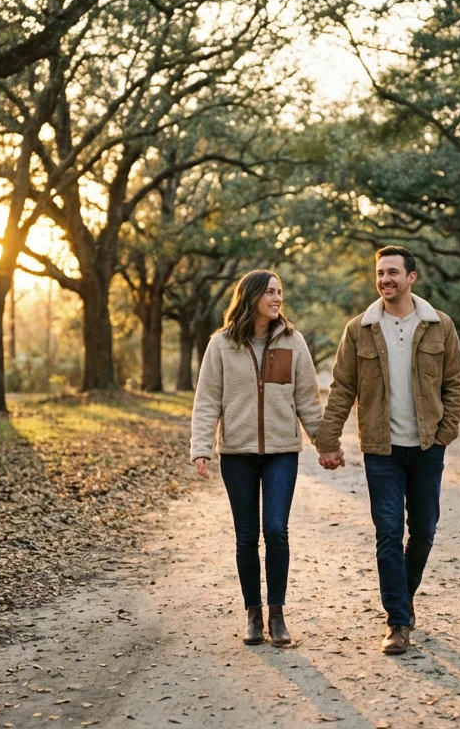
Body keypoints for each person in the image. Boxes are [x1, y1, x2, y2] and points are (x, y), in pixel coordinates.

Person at [315, 245, 460, 655]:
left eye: (393, 273)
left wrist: (445, 431)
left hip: (427, 446)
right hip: (382, 449)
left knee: (425, 531)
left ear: (411, 277)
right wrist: (327, 440)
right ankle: (397, 620)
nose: (385, 280)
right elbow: (342, 387)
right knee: (388, 533)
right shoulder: (359, 328)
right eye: (380, 273)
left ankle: (404, 593)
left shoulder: (440, 325)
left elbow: (454, 383)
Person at [190, 269, 323, 646]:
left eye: (280, 291)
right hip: (238, 453)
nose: (277, 298)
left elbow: (308, 400)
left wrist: (324, 442)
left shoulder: (293, 341)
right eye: (269, 292)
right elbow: (207, 401)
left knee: (276, 530)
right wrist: (201, 448)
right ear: (250, 297)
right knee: (246, 536)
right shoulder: (221, 345)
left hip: (282, 451)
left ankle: (277, 614)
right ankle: (253, 614)